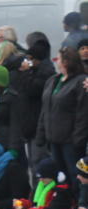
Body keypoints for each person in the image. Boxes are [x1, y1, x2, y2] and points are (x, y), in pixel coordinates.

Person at [36, 47, 88, 199]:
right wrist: (41, 133)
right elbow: (45, 109)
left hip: (70, 140)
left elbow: (82, 113)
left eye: (58, 59)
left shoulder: (80, 81)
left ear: (65, 62)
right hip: (54, 139)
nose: (57, 62)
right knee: (61, 177)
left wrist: (79, 138)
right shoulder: (53, 81)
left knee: (75, 175)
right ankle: (66, 204)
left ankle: (81, 205)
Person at [17, 43, 56, 183]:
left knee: (39, 163)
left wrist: (26, 72)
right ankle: (35, 195)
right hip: (30, 126)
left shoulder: (46, 73)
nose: (27, 62)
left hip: (39, 127)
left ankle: (42, 195)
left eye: (30, 59)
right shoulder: (34, 72)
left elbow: (32, 90)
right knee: (33, 164)